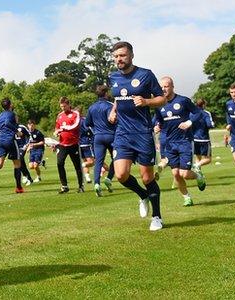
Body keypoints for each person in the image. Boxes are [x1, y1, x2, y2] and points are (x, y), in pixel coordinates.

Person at [108, 41, 166, 231]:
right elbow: (119, 97)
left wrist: (147, 101)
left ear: (131, 55)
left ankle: (157, 217)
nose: (119, 59)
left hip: (142, 133)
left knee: (147, 178)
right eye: (116, 56)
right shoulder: (113, 76)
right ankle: (142, 195)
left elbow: (162, 98)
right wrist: (114, 110)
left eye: (123, 55)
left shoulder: (145, 74)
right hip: (122, 133)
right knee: (120, 175)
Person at [154, 77, 206, 207]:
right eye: (161, 87)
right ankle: (186, 197)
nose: (163, 89)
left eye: (166, 86)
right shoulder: (159, 104)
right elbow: (159, 121)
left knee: (185, 174)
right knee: (175, 174)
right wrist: (157, 126)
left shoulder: (183, 100)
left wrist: (189, 122)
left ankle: (198, 176)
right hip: (170, 144)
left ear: (172, 87)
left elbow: (198, 113)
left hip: (185, 141)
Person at [85, 85, 116, 197]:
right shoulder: (110, 106)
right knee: (116, 158)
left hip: (98, 137)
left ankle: (97, 184)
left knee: (98, 161)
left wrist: (96, 128)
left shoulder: (91, 107)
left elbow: (87, 123)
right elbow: (112, 119)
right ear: (106, 93)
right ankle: (108, 178)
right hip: (111, 135)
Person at [54, 97, 84, 193]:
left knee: (77, 166)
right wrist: (56, 132)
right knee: (59, 163)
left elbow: (76, 125)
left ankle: (81, 186)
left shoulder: (75, 114)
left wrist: (64, 128)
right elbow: (57, 128)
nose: (63, 108)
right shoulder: (59, 116)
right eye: (61, 106)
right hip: (62, 144)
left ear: (68, 104)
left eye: (64, 106)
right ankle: (64, 186)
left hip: (73, 144)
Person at [192, 99, 214, 172]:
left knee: (198, 158)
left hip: (194, 139)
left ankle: (199, 177)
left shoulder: (191, 113)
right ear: (203, 105)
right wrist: (212, 124)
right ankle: (196, 166)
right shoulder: (206, 113)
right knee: (208, 159)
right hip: (204, 139)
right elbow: (209, 125)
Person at [79, 114, 95, 184]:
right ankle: (81, 166)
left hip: (79, 144)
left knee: (85, 160)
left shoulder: (74, 121)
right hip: (86, 143)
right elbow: (88, 129)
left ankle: (88, 178)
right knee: (92, 162)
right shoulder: (83, 120)